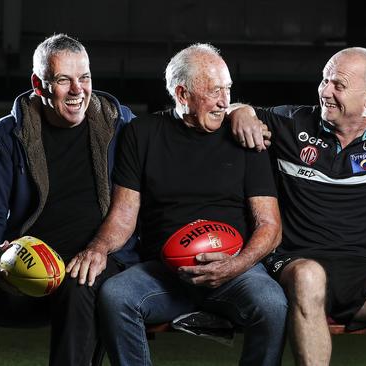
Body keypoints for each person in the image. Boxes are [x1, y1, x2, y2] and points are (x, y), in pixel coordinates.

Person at [229, 47, 366, 366]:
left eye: (338, 85)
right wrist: (241, 111)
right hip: (296, 264)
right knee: (309, 275)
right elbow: (229, 108)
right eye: (324, 81)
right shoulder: (290, 123)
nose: (325, 92)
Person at [80, 43, 287, 366]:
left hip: (236, 270)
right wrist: (97, 247)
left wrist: (233, 265)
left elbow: (270, 226)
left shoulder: (247, 137)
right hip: (165, 273)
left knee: (272, 304)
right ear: (182, 93)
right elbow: (123, 216)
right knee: (116, 295)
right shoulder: (142, 134)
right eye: (214, 91)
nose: (224, 101)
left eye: (228, 90)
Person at [0, 34, 138, 366]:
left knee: (80, 285)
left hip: (94, 264)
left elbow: (179, 125)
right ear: (38, 83)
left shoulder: (121, 125)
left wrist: (237, 110)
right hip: (28, 270)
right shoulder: (7, 135)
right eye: (63, 80)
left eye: (84, 78)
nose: (78, 90)